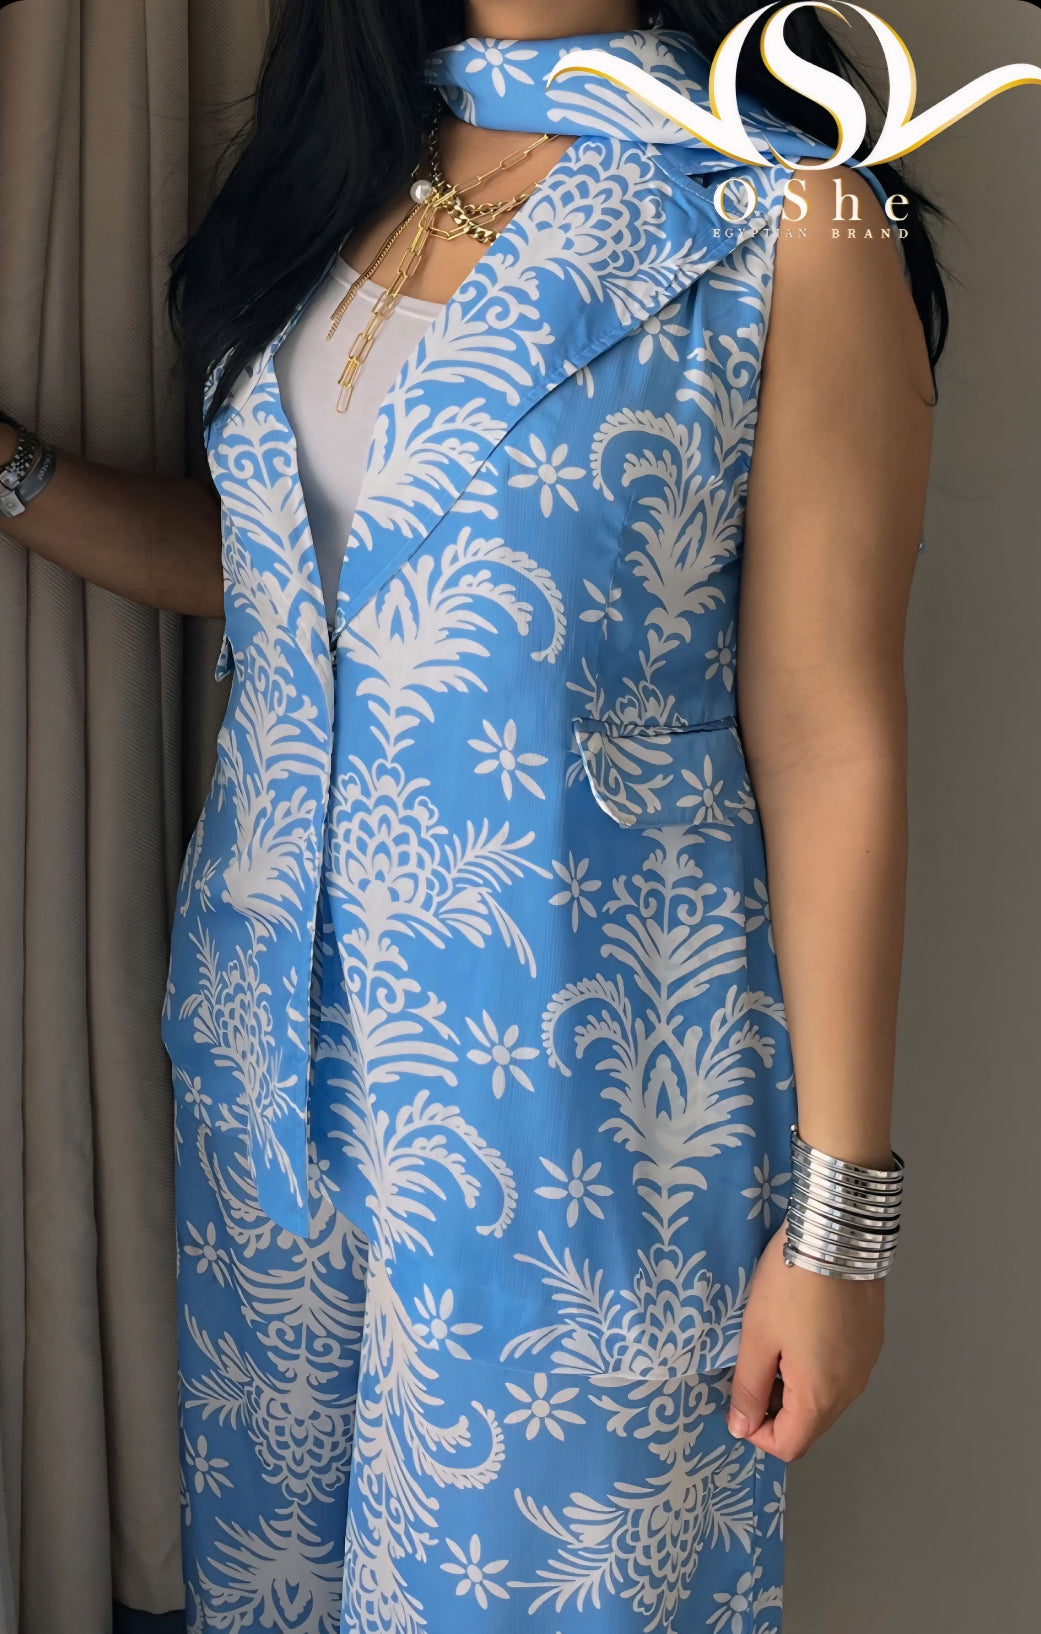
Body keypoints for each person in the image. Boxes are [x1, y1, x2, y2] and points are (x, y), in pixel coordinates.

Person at [0, 1, 943, 1629]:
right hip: (268, 1090)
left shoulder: (788, 214)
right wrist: (15, 474)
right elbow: (299, 577)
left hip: (578, 1120)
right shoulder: (340, 171)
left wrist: (839, 1224)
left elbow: (825, 736)